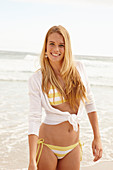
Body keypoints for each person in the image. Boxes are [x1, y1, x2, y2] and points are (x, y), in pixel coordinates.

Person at [28, 25, 103, 170]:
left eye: (61, 45)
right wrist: (32, 160)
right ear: (45, 46)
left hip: (72, 147)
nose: (56, 49)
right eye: (52, 44)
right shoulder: (37, 79)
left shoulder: (79, 69)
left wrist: (97, 138)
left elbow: (90, 103)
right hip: (47, 146)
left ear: (67, 47)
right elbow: (34, 118)